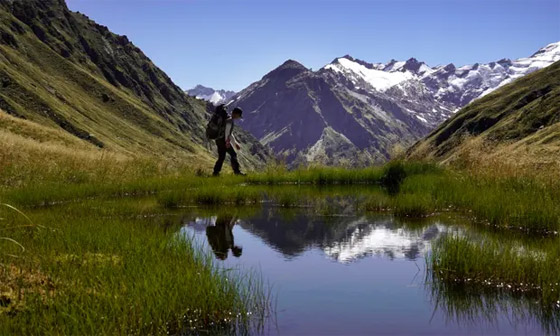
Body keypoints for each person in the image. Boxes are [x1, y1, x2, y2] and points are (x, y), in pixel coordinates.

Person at [213, 107, 245, 176]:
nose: (238, 117)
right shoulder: (230, 121)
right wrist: (227, 143)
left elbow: (230, 133)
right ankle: (237, 172)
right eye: (239, 116)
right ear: (236, 114)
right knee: (233, 154)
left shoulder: (227, 118)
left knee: (221, 157)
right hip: (223, 141)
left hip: (218, 139)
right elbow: (227, 133)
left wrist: (235, 143)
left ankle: (215, 173)